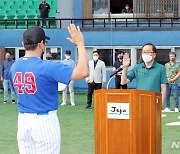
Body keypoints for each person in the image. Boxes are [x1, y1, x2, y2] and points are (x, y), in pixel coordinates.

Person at [9, 24, 89, 154]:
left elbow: (16, 89)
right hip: (44, 121)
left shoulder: (15, 66)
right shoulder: (47, 66)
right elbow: (84, 71)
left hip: (23, 121)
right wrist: (80, 43)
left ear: (24, 43)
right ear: (41, 44)